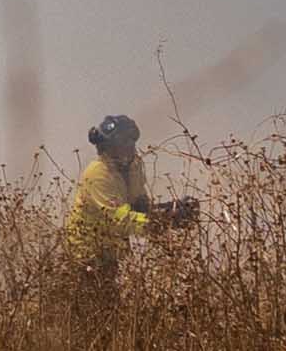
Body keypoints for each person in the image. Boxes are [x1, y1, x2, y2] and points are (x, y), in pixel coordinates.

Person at [63, 112, 201, 263]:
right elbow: (119, 220)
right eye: (123, 141)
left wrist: (170, 209)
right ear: (107, 146)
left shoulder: (134, 167)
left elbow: (140, 207)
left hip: (113, 254)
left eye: (131, 140)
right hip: (85, 256)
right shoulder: (98, 173)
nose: (129, 146)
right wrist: (162, 221)